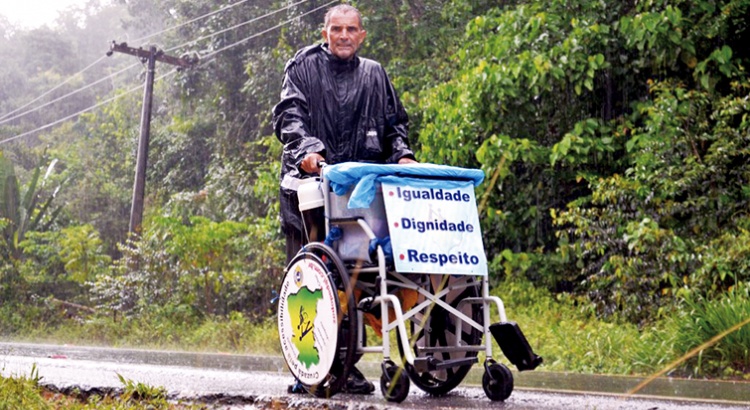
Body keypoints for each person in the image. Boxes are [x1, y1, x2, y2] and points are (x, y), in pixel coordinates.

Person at [272, 4, 416, 395]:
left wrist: (402, 154)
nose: (344, 36)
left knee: (356, 282)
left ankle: (346, 365)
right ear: (325, 32)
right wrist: (306, 149)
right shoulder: (301, 68)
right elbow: (290, 116)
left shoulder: (374, 74)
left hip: (358, 198)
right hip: (309, 193)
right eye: (337, 29)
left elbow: (394, 125)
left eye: (352, 29)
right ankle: (310, 367)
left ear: (362, 34)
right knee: (312, 280)